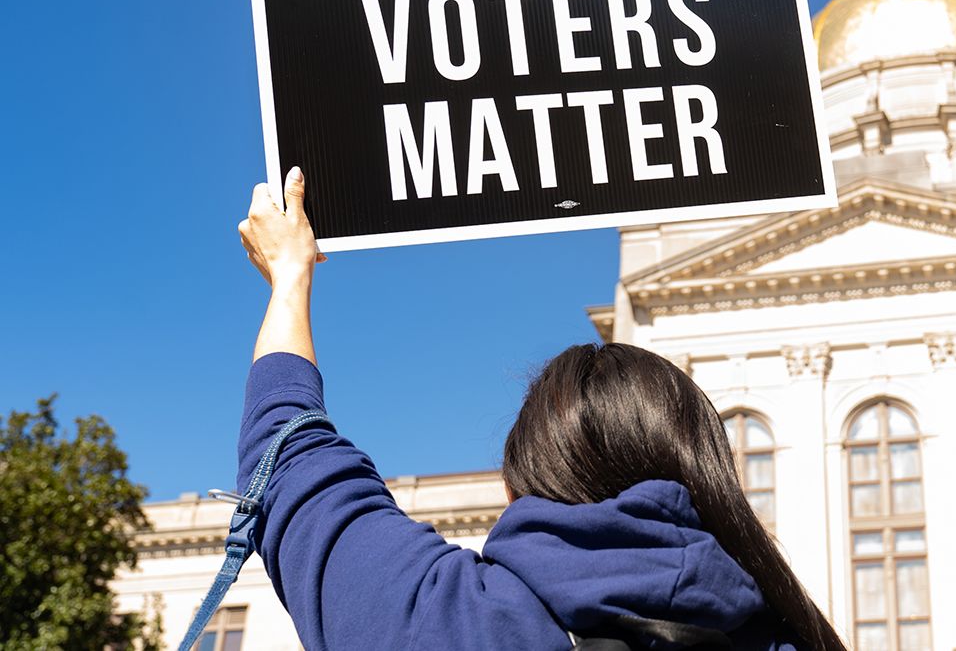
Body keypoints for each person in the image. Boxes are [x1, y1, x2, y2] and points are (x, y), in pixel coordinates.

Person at [235, 167, 847, 651]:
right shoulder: (790, 637)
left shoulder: (456, 625)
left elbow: (286, 457)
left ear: (523, 484)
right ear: (708, 466)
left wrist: (290, 277)